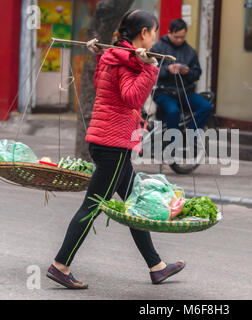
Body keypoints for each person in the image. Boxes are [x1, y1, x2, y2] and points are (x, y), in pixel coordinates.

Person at [46, 9, 185, 290]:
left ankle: (156, 266)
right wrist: (149, 68)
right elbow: (132, 96)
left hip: (107, 142)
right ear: (144, 33)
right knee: (92, 205)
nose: (155, 38)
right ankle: (60, 265)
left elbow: (103, 84)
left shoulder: (115, 55)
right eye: (154, 32)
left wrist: (101, 55)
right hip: (113, 145)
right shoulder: (127, 60)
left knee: (134, 201)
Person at [151, 19, 212, 136]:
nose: (179, 40)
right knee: (173, 112)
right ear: (169, 32)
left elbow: (197, 73)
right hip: (164, 92)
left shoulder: (190, 51)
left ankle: (190, 135)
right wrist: (167, 69)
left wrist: (188, 72)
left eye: (182, 37)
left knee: (206, 107)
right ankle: (173, 143)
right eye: (176, 37)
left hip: (185, 92)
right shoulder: (157, 49)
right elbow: (150, 71)